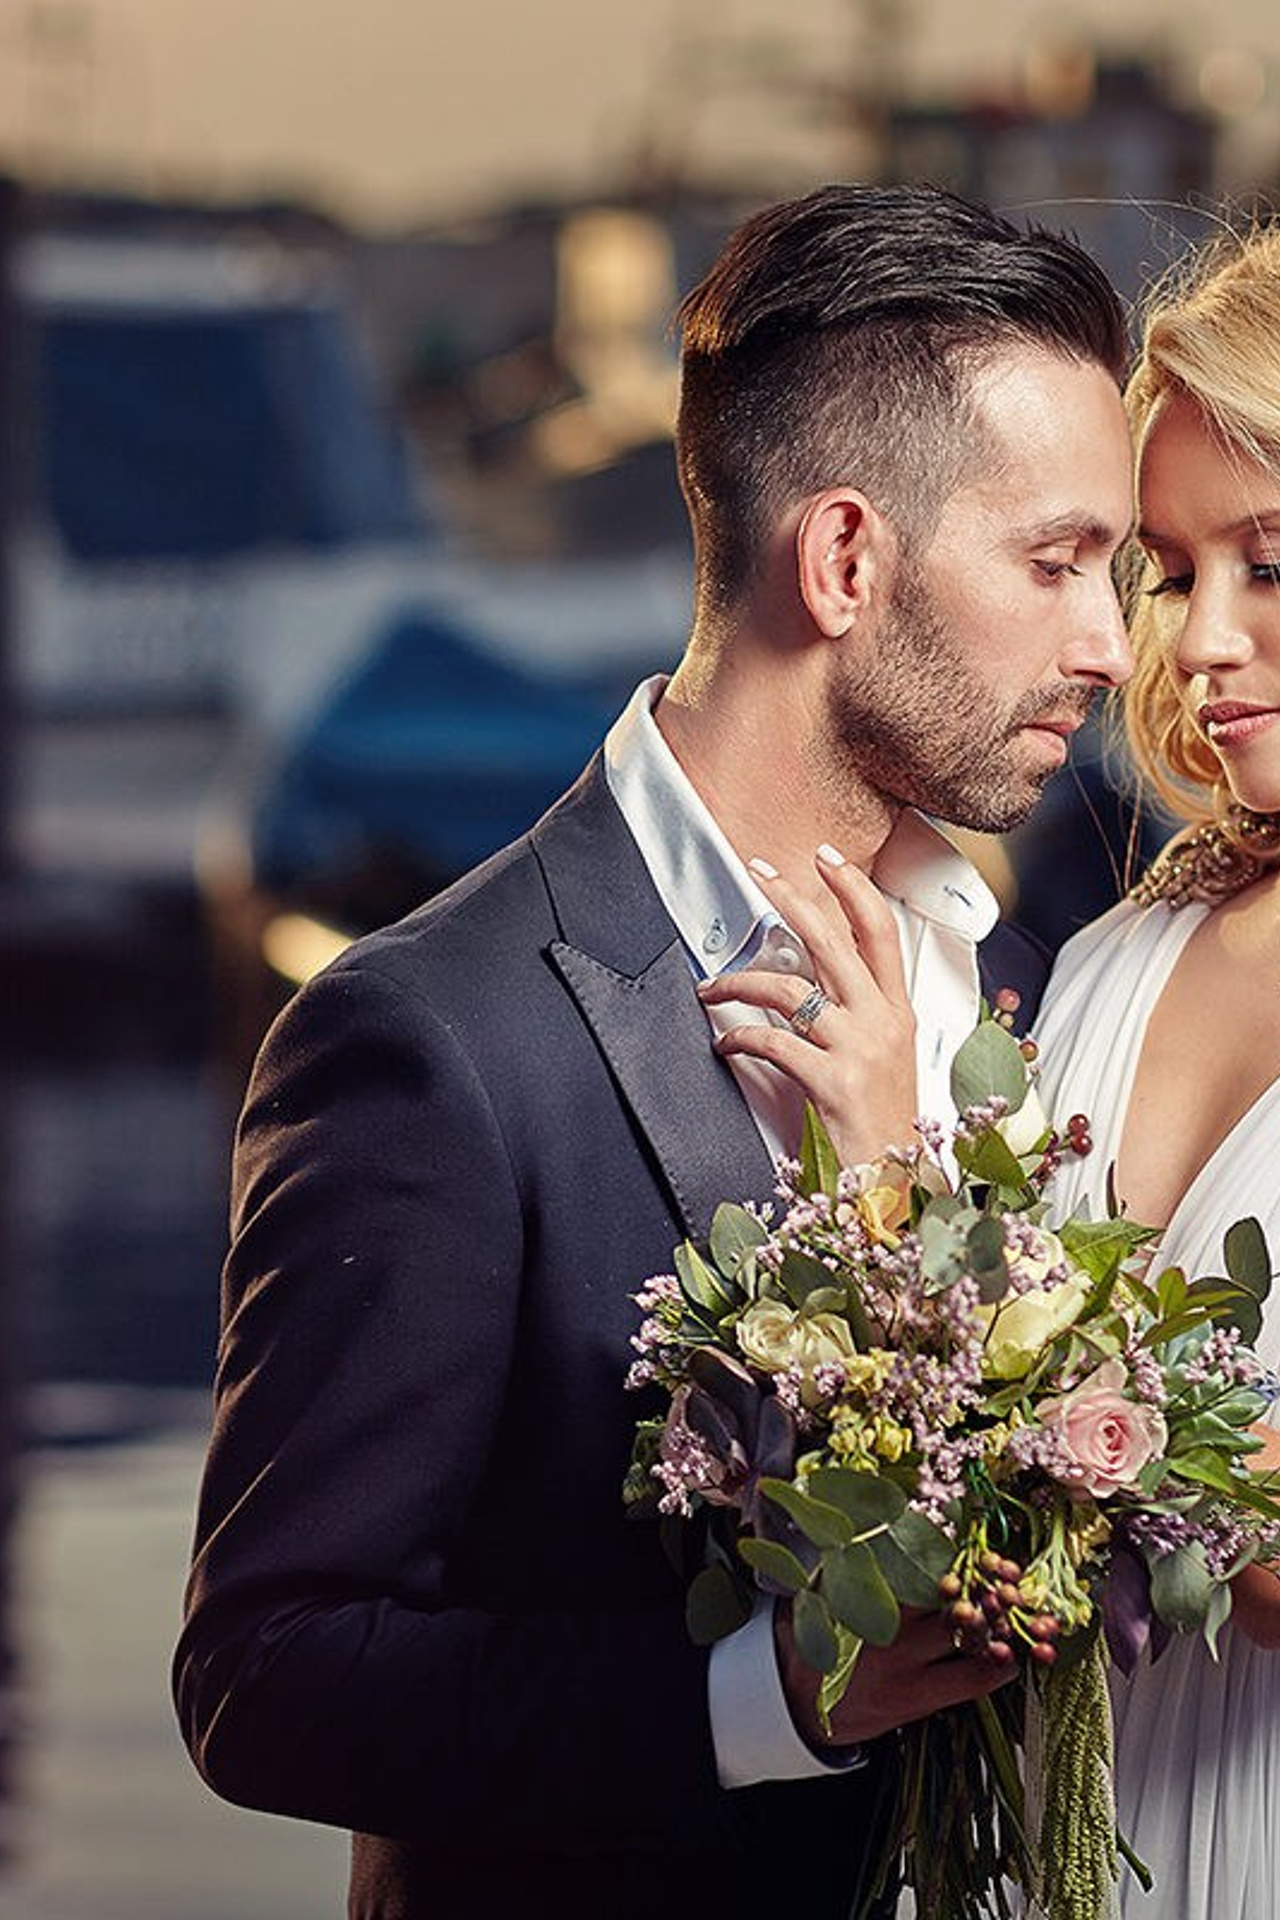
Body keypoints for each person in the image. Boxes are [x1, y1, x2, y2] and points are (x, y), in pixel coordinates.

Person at [172, 183, 1134, 1920]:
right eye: (1060, 563)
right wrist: (757, 1704)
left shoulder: (1014, 991)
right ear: (844, 560)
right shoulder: (428, 1037)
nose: (1111, 645)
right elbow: (268, 1677)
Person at [1029, 222, 1280, 1919]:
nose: (1194, 643)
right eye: (1173, 571)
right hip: (1049, 1829)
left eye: (1271, 563)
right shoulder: (1109, 958)